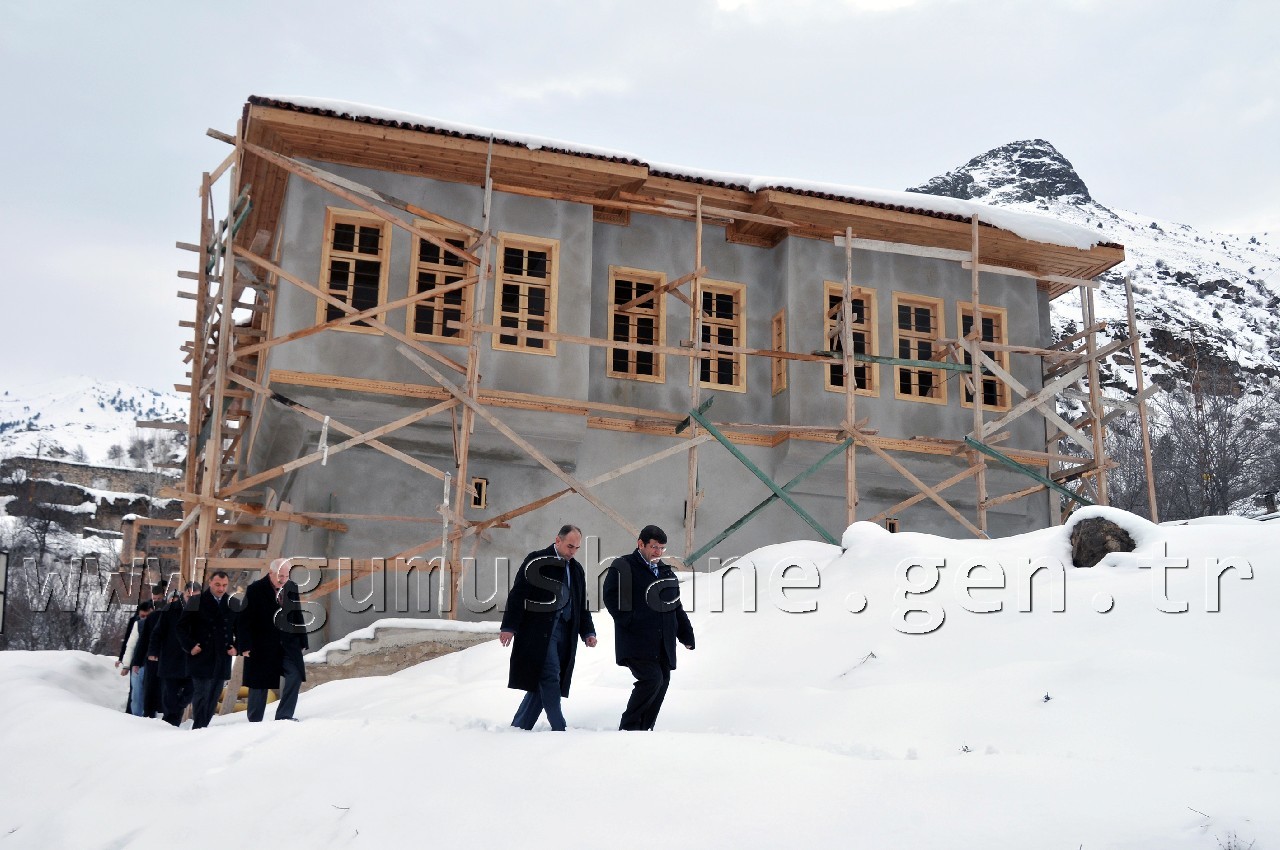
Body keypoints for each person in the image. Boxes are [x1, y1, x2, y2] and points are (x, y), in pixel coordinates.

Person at [499, 524, 597, 731]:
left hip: (566, 631)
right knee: (550, 675)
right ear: (558, 540)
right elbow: (517, 595)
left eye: (577, 548)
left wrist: (588, 631)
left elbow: (581, 604)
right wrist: (509, 626)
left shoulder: (576, 569)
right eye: (570, 546)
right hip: (539, 631)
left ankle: (520, 726)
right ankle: (559, 728)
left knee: (543, 680)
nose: (573, 552)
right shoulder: (537, 561)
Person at [603, 525, 695, 731]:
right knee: (652, 679)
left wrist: (686, 635)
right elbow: (611, 597)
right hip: (637, 641)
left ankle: (645, 730)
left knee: (662, 682)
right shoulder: (624, 565)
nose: (658, 552)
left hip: (663, 642)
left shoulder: (665, 571)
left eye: (662, 548)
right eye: (654, 547)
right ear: (640, 544)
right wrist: (632, 621)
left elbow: (676, 606)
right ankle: (628, 728)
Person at [237, 559, 309, 722]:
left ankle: (284, 715)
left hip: (287, 644)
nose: (283, 580)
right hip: (261, 645)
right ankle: (255, 721)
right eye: (280, 576)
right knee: (259, 683)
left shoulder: (291, 587)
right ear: (271, 573)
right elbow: (244, 620)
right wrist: (245, 645)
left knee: (295, 674)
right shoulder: (255, 590)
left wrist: (302, 640)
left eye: (286, 576)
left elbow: (297, 614)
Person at [178, 571, 237, 730]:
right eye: (217, 584)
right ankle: (199, 728)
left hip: (222, 656)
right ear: (210, 582)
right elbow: (181, 627)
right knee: (202, 694)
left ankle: (203, 728)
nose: (221, 588)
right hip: (201, 655)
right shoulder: (196, 601)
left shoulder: (233, 603)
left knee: (213, 695)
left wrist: (237, 646)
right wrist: (191, 646)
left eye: (224, 585)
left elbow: (242, 628)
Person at [150, 582, 198, 726]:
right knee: (170, 696)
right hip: (171, 658)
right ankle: (170, 725)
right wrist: (153, 651)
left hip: (192, 660)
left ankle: (174, 716)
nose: (191, 598)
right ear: (184, 594)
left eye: (195, 596)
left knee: (188, 694)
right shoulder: (170, 610)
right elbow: (157, 632)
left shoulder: (203, 611)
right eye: (189, 595)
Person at [119, 601, 153, 715]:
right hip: (138, 665)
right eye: (142, 616)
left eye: (147, 616)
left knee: (149, 695)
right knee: (136, 695)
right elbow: (130, 645)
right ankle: (136, 719)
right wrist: (126, 665)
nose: (144, 619)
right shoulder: (138, 625)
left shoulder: (159, 623)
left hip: (153, 665)